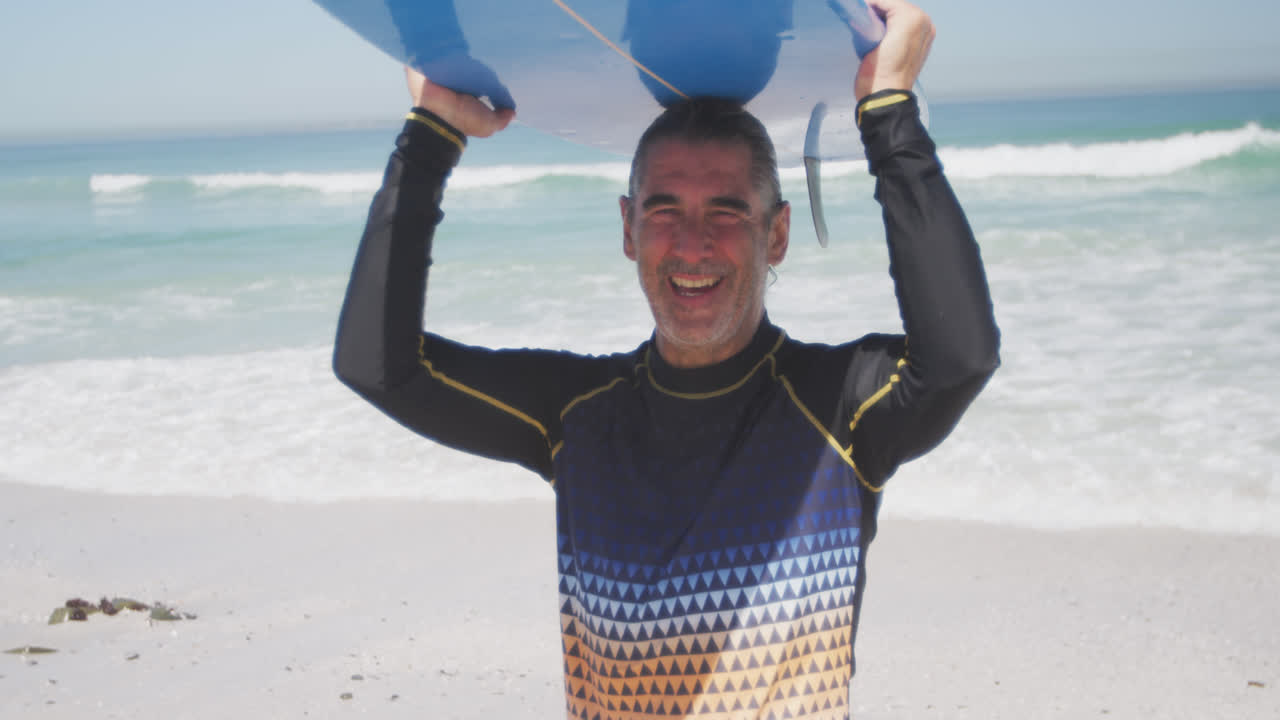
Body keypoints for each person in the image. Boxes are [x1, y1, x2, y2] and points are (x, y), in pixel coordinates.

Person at [333, 0, 999, 717]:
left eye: (726, 211)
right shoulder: (578, 416)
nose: (691, 245)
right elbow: (380, 365)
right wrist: (430, 137)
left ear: (776, 236)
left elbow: (959, 356)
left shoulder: (836, 411)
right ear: (628, 227)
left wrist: (889, 112)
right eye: (663, 210)